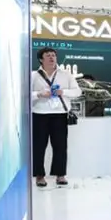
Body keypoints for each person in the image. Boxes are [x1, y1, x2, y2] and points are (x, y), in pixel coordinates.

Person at [31, 47, 81, 187]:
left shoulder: (65, 74)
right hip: (40, 114)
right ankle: (39, 175)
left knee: (60, 146)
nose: (52, 58)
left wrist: (62, 92)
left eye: (53, 55)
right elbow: (24, 93)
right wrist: (38, 94)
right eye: (48, 55)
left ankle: (60, 175)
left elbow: (77, 91)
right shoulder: (33, 75)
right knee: (39, 146)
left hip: (59, 114)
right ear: (41, 59)